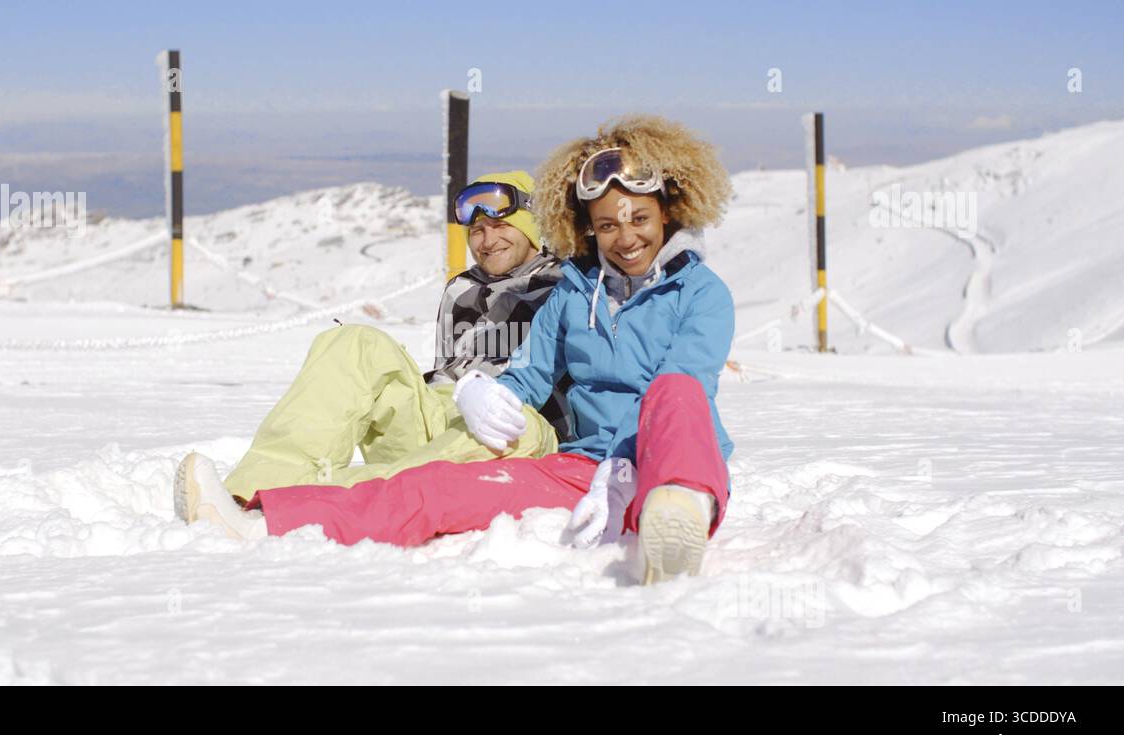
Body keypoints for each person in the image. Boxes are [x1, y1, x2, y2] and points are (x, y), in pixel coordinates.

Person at [178, 115, 735, 585]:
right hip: (578, 465)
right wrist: (475, 391)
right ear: (589, 229)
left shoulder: (697, 293)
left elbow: (689, 382)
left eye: (639, 218)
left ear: (669, 212)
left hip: (662, 451)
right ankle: (262, 509)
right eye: (607, 225)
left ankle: (676, 512)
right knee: (432, 483)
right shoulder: (565, 292)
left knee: (675, 390)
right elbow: (528, 375)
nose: (626, 236)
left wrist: (627, 465)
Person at [176, 171, 568, 530]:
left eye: (501, 226)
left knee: (509, 433)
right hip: (444, 410)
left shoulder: (564, 287)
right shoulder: (461, 289)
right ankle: (246, 493)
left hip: (517, 422)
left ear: (531, 226)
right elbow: (448, 364)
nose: (487, 240)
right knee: (355, 343)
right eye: (477, 230)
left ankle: (292, 502)